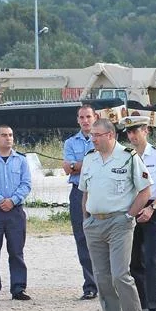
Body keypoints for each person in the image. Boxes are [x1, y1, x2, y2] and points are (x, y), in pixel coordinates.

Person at [80, 118, 151, 311]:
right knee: (103, 280)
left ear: (110, 135)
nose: (93, 139)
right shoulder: (90, 158)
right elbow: (85, 192)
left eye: (96, 135)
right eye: (92, 135)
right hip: (95, 224)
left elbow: (145, 190)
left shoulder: (128, 157)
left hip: (119, 223)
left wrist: (129, 215)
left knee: (121, 276)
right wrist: (86, 218)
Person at [123, 117, 156, 311]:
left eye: (136, 131)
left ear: (146, 131)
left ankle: (154, 306)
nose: (132, 136)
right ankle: (142, 304)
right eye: (129, 132)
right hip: (134, 207)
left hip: (152, 208)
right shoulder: (126, 156)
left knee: (151, 259)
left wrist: (152, 208)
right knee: (135, 260)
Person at [0, 125, 32, 301]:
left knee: (16, 251)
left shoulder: (21, 160)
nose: (8, 138)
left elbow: (26, 184)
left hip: (15, 211)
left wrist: (13, 200)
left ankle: (18, 288)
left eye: (10, 135)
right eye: (3, 135)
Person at [64, 104, 98, 300]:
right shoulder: (70, 143)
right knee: (82, 238)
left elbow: (103, 163)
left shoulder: (102, 139)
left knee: (105, 236)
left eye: (88, 117)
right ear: (78, 120)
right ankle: (90, 285)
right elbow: (67, 168)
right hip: (78, 192)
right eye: (82, 117)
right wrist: (88, 164)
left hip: (100, 192)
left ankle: (108, 283)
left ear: (95, 117)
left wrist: (77, 165)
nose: (85, 120)